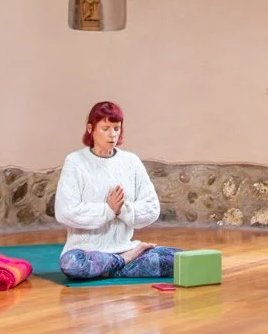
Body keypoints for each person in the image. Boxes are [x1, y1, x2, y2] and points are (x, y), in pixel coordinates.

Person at [55, 101, 177, 280]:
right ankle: (125, 261)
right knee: (72, 265)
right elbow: (65, 212)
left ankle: (111, 266)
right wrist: (108, 210)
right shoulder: (75, 161)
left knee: (178, 259)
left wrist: (122, 210)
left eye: (116, 128)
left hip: (124, 247)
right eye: (105, 128)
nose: (112, 134)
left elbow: (152, 208)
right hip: (86, 253)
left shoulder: (131, 161)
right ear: (90, 129)